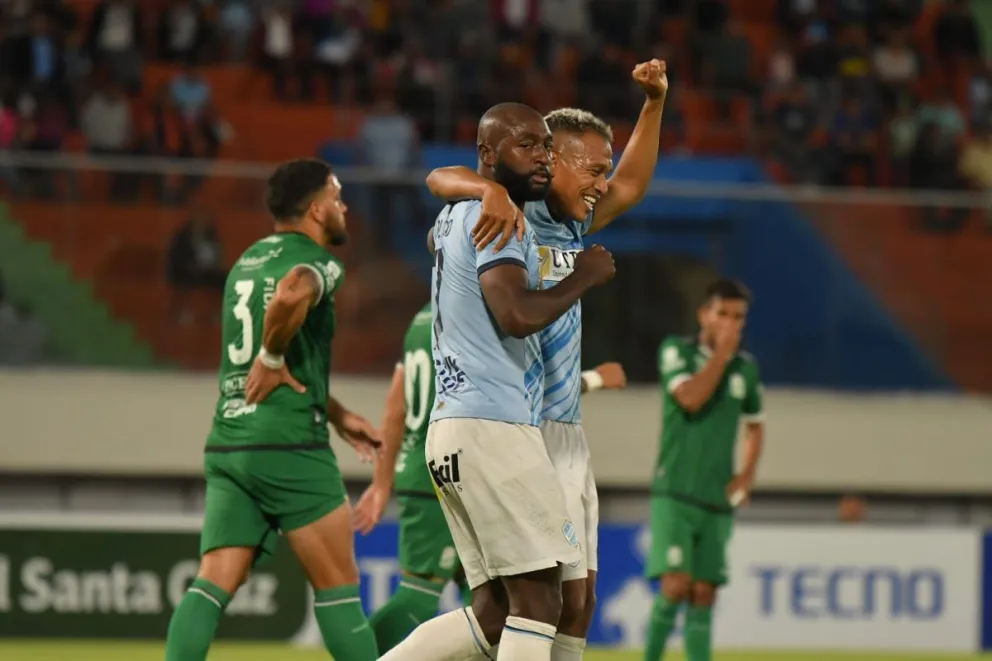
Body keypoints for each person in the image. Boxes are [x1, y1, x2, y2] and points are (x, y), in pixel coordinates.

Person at [425, 59, 668, 661]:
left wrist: (655, 105)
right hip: (516, 425)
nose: (603, 185)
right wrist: (488, 188)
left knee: (574, 604)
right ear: (549, 161)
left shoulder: (574, 224)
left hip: (563, 431)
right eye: (591, 169)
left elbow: (633, 185)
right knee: (541, 602)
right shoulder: (509, 215)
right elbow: (440, 175)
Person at [380, 102, 616, 661]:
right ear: (488, 155)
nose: (542, 157)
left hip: (453, 429)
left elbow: (440, 183)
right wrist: (582, 277)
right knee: (539, 604)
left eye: (545, 147)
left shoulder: (458, 214)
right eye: (527, 146)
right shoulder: (501, 218)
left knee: (493, 612)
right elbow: (515, 314)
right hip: (494, 427)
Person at [163, 159, 382, 661]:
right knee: (339, 587)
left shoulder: (246, 261)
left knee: (212, 582)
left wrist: (339, 414)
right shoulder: (318, 261)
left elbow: (267, 367)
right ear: (316, 208)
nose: (344, 205)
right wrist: (272, 354)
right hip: (287, 444)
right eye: (337, 194)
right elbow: (290, 295)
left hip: (229, 441)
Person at [643, 279, 765, 661]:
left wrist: (746, 475)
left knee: (704, 592)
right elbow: (691, 399)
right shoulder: (676, 351)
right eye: (723, 314)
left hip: (717, 495)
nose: (731, 323)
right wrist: (721, 357)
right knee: (676, 585)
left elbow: (755, 424)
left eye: (738, 317)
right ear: (703, 315)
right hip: (675, 490)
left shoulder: (746, 369)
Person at [353, 301, 472, 653]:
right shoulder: (471, 312)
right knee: (419, 596)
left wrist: (381, 481)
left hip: (430, 472)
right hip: (444, 473)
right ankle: (357, 653)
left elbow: (396, 406)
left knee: (489, 593)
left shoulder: (422, 317)